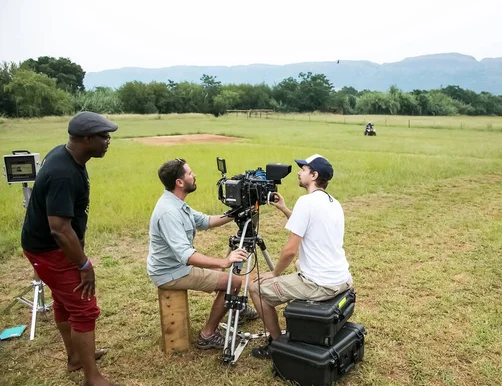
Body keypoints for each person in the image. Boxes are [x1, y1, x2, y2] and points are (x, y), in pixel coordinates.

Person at [21, 111, 118, 386]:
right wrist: (84, 265)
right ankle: (92, 378)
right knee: (84, 309)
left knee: (65, 302)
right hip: (51, 250)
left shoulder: (67, 155)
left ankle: (76, 358)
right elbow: (59, 229)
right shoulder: (63, 174)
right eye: (104, 136)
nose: (108, 141)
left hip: (48, 248)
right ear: (87, 139)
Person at [146, 158, 259, 350]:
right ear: (179, 182)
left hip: (176, 266)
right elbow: (187, 255)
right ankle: (208, 334)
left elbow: (205, 221)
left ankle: (235, 309)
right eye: (190, 173)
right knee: (234, 283)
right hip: (172, 272)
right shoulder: (169, 212)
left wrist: (235, 212)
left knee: (225, 276)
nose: (194, 175)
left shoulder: (175, 202)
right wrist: (224, 261)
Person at [248, 154, 353, 359]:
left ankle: (277, 343)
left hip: (320, 283)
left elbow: (289, 250)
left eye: (303, 169)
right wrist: (285, 209)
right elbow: (309, 225)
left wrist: (274, 273)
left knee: (255, 287)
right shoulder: (333, 202)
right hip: (342, 279)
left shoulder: (306, 202)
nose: (298, 172)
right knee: (298, 264)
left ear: (313, 175)